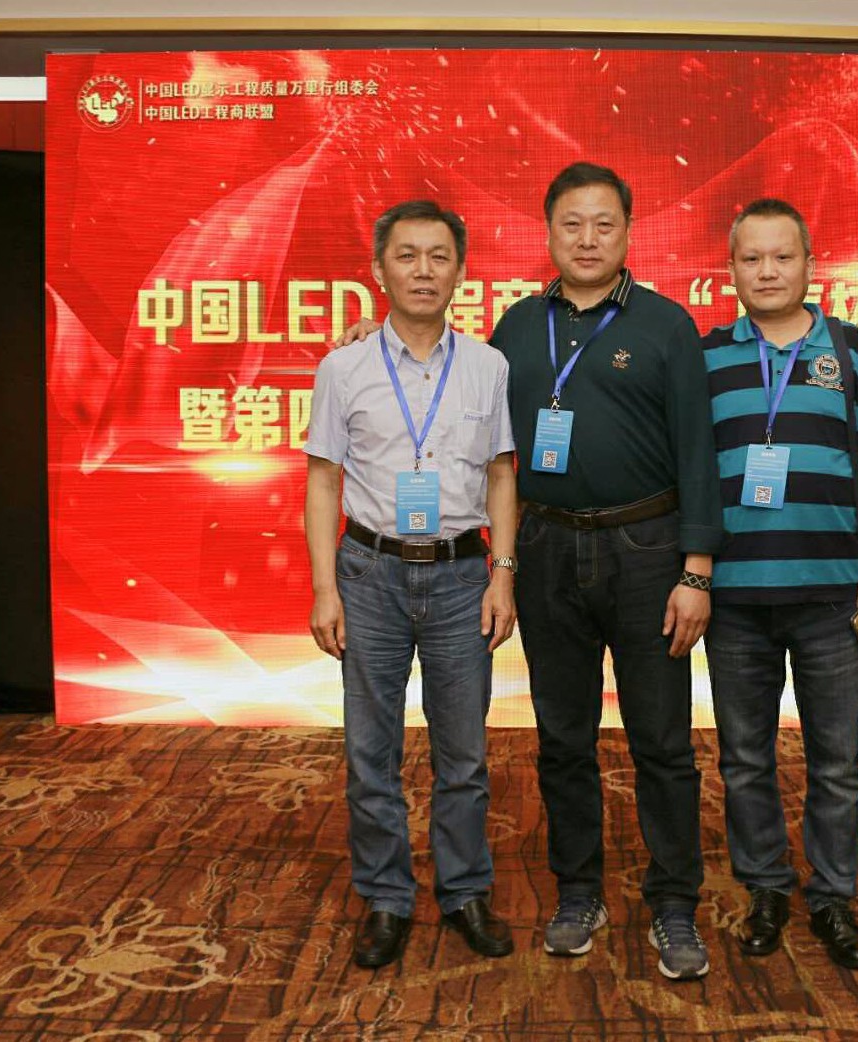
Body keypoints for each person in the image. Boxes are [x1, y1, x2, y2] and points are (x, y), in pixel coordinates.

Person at [336, 163, 725, 981]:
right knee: (563, 737)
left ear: (628, 233)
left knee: (662, 739)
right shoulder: (516, 328)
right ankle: (578, 893)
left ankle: (674, 902)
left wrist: (696, 570)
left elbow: (699, 449)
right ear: (547, 232)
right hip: (546, 552)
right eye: (571, 224)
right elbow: (451, 395)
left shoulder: (667, 325)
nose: (587, 239)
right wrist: (366, 347)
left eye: (604, 224)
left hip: (646, 551)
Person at [305, 199, 519, 970]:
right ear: (378, 270)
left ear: (460, 271)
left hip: (463, 575)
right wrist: (324, 588)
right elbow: (323, 480)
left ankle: (464, 892)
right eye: (407, 255)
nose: (423, 270)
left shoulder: (489, 366)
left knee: (464, 753)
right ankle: (387, 897)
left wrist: (503, 574)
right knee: (372, 750)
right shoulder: (343, 367)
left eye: (439, 256)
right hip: (370, 574)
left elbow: (502, 475)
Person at [700, 198, 858, 970]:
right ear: (731, 268)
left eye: (782, 256)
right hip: (734, 601)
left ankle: (832, 898)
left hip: (832, 597)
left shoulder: (851, 349)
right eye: (751, 258)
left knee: (837, 761)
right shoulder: (707, 355)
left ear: (810, 264)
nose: (767, 271)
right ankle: (765, 889)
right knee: (743, 758)